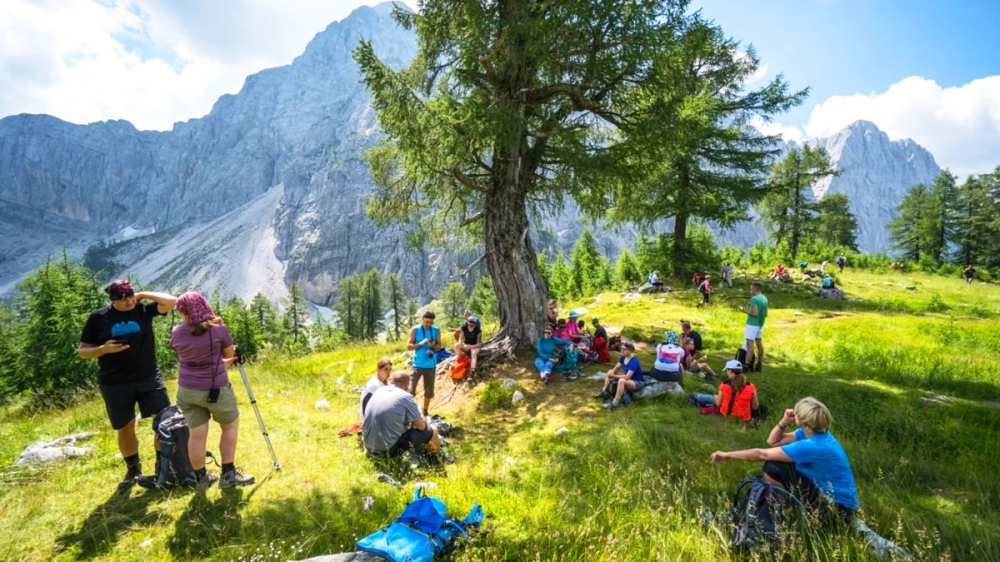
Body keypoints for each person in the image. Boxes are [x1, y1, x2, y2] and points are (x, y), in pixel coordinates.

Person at [79, 280, 176, 491]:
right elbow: (83, 351)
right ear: (112, 301)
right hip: (114, 382)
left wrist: (141, 294)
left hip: (149, 377)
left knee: (163, 422)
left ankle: (163, 468)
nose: (129, 302)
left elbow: (171, 301)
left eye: (131, 297)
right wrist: (103, 349)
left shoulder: (143, 309)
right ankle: (133, 470)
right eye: (123, 300)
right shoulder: (99, 317)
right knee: (125, 426)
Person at [709, 397, 859, 525]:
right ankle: (777, 509)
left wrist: (727, 454)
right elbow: (773, 441)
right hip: (835, 501)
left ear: (802, 420)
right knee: (780, 464)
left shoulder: (814, 445)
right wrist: (784, 422)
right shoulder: (812, 433)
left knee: (773, 467)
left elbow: (762, 454)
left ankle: (776, 514)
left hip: (836, 511)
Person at [170, 291, 254, 490]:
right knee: (229, 427)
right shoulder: (218, 330)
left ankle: (201, 479)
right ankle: (228, 475)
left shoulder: (177, 332)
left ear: (184, 312)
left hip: (187, 390)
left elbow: (189, 355)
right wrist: (227, 358)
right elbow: (227, 354)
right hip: (215, 388)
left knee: (196, 434)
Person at [362, 372, 440, 457]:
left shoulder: (380, 390)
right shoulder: (406, 397)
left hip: (368, 446)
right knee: (433, 430)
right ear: (407, 384)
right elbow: (422, 426)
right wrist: (420, 409)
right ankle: (435, 459)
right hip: (387, 451)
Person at [407, 311, 442, 416]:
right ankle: (410, 411)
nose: (429, 324)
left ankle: (425, 411)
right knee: (410, 388)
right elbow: (408, 347)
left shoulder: (436, 330)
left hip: (430, 365)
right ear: (422, 319)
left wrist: (434, 345)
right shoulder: (415, 329)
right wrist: (421, 343)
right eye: (427, 322)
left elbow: (439, 347)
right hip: (417, 364)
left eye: (431, 322)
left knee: (429, 390)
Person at [597, 342, 643, 409]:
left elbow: (627, 377)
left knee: (622, 381)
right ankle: (604, 391)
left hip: (637, 382)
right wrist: (612, 373)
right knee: (610, 371)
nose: (622, 351)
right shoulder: (623, 358)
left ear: (630, 350)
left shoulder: (634, 361)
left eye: (624, 349)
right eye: (621, 349)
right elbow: (616, 367)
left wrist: (614, 376)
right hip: (629, 379)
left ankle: (615, 403)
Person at [738, 282, 767, 373]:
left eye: (751, 289)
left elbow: (755, 314)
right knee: (759, 344)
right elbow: (765, 314)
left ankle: (746, 365)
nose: (751, 291)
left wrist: (744, 311)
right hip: (760, 324)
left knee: (750, 344)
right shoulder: (764, 298)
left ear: (755, 289)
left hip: (752, 324)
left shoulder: (754, 298)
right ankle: (759, 364)